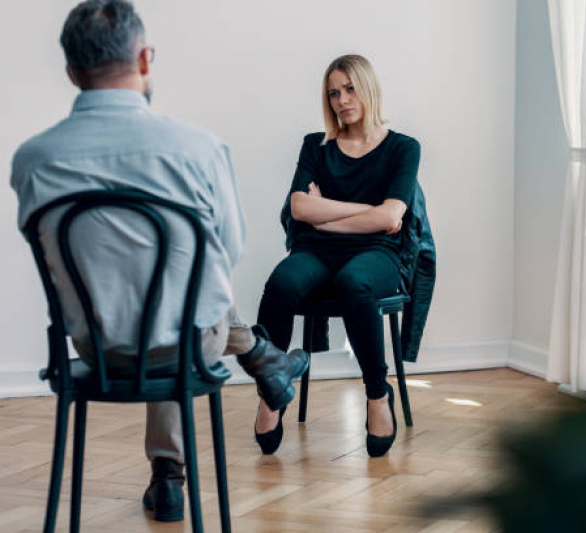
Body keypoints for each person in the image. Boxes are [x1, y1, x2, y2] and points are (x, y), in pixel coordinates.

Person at [10, 0, 308, 523]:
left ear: (70, 72)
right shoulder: (199, 149)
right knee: (183, 310)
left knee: (163, 306)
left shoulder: (33, 158)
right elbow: (228, 254)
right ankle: (259, 359)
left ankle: (170, 475)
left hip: (95, 347)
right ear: (145, 59)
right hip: (187, 343)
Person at [255, 54, 421, 458]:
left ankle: (378, 396)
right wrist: (369, 214)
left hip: (377, 254)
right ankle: (272, 386)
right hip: (318, 249)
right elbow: (299, 209)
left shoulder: (404, 148)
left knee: (354, 283)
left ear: (367, 88)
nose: (341, 99)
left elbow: (392, 216)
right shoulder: (316, 145)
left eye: (349, 88)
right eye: (333, 92)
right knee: (282, 283)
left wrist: (327, 212)